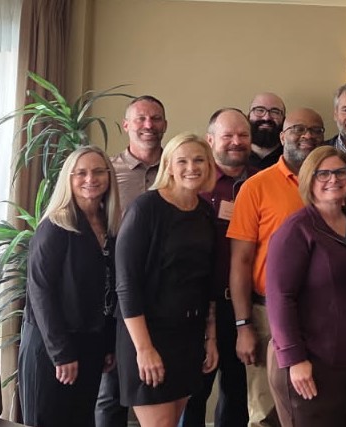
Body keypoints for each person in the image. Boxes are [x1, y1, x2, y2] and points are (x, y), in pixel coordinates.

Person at [264, 146, 346, 427]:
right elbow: (280, 297)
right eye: (323, 173)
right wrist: (295, 359)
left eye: (341, 172)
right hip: (313, 364)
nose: (334, 179)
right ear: (309, 179)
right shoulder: (296, 229)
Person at [114, 133, 220, 426]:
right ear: (169, 166)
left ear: (209, 165)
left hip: (188, 336)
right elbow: (126, 285)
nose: (191, 167)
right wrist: (144, 349)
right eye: (182, 161)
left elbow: (207, 282)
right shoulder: (145, 208)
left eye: (199, 160)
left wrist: (210, 338)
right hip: (148, 333)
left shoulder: (205, 212)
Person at [227, 108, 324, 427]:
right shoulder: (256, 186)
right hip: (267, 315)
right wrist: (243, 325)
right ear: (282, 136)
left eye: (315, 130)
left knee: (315, 406)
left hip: (321, 315)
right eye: (298, 129)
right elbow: (240, 260)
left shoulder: (333, 183)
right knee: (266, 412)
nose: (307, 136)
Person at [19, 147, 121, 427]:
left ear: (109, 176)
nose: (91, 179)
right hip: (53, 346)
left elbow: (110, 290)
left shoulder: (110, 225)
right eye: (81, 173)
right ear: (69, 179)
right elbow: (40, 293)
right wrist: (61, 352)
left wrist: (107, 345)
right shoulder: (55, 226)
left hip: (91, 344)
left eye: (98, 171)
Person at [181, 109, 254, 427]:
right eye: (228, 136)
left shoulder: (263, 182)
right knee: (192, 394)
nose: (236, 142)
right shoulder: (195, 183)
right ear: (210, 140)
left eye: (243, 135)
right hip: (198, 308)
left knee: (238, 396)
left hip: (246, 306)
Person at [101, 95, 167, 427]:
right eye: (140, 118)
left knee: (164, 386)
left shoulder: (178, 167)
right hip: (118, 290)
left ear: (165, 125)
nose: (148, 125)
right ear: (126, 125)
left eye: (155, 118)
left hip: (166, 292)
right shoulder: (107, 172)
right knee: (112, 390)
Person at [248, 92, 286, 170]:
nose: (266, 118)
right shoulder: (235, 154)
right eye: (260, 110)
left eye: (275, 112)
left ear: (284, 119)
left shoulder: (291, 158)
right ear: (248, 116)